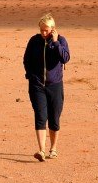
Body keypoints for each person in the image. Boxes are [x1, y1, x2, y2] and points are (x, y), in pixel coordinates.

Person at [23, 12, 70, 161]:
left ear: (53, 29)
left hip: (55, 85)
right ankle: (42, 150)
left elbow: (65, 58)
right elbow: (26, 59)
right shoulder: (34, 41)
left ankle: (53, 148)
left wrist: (55, 43)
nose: (43, 33)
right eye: (41, 30)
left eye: (46, 30)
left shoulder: (61, 40)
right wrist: (30, 75)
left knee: (54, 118)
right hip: (37, 85)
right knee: (40, 116)